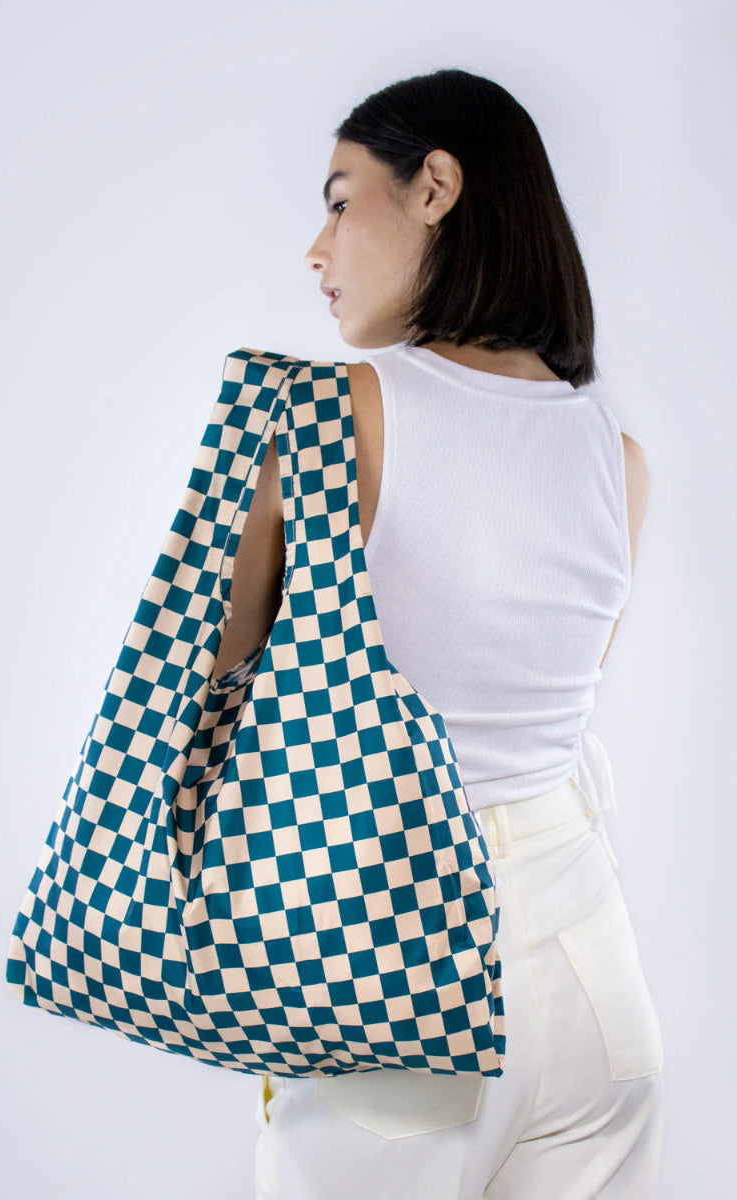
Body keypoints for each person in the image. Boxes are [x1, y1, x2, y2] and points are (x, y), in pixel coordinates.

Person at [215, 68, 664, 1200]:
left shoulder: (327, 417)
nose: (313, 251)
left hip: (394, 981)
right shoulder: (613, 455)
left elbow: (201, 690)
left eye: (336, 200)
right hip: (593, 989)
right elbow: (533, 714)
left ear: (435, 189)